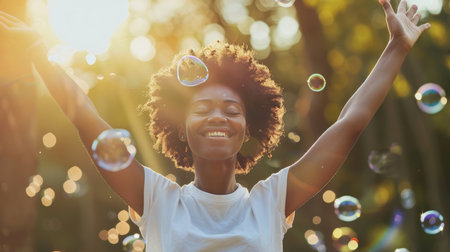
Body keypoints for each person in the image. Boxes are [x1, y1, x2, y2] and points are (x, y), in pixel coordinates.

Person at [0, 0, 430, 251]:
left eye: (232, 109)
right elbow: (87, 121)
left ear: (248, 129)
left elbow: (349, 124)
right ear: (181, 128)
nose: (218, 117)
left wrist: (395, 49)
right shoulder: (157, 200)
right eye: (202, 109)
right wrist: (39, 54)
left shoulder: (272, 201)